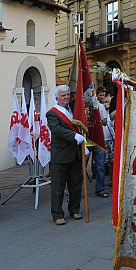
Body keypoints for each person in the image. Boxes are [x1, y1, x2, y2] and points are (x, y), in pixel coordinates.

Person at [46, 85, 84, 225]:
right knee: (58, 187)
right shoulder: (52, 113)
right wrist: (74, 136)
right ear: (57, 98)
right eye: (63, 95)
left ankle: (74, 210)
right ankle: (57, 214)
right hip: (61, 155)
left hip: (75, 153)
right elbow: (56, 130)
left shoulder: (74, 109)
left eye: (68, 94)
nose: (67, 97)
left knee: (75, 185)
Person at [93, 87, 111, 198]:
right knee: (79, 168)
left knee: (100, 165)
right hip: (85, 139)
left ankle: (100, 188)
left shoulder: (100, 107)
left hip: (98, 138)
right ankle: (75, 192)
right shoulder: (82, 106)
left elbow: (104, 122)